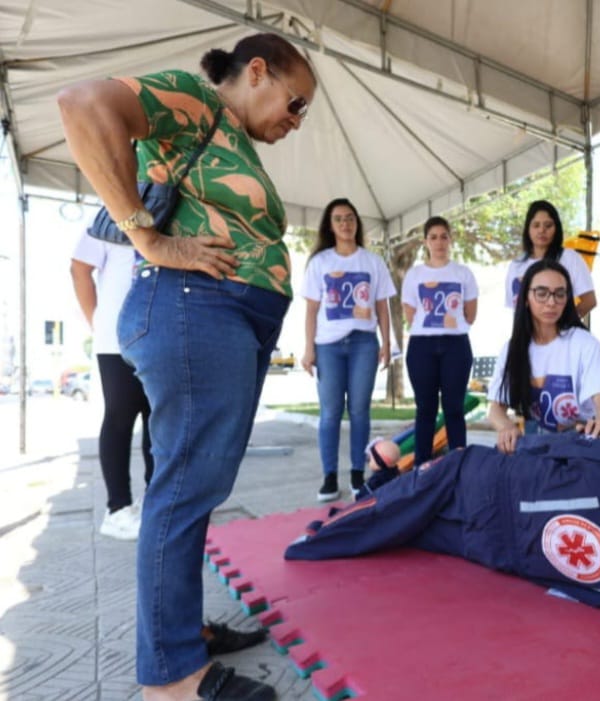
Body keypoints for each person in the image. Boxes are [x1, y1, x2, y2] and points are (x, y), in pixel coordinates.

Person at [58, 32, 316, 701]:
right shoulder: (197, 99)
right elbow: (83, 104)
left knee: (195, 485)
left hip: (221, 313)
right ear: (256, 71)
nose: (296, 120)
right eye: (295, 103)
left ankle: (182, 633)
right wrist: (147, 236)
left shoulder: (228, 135)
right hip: (193, 305)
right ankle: (172, 678)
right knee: (183, 486)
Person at [286, 433, 600, 608]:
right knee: (402, 519)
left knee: (398, 512)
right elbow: (558, 587)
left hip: (482, 492)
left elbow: (536, 446)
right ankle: (379, 484)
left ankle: (338, 520)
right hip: (493, 545)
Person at [302, 197, 396, 502]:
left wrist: (387, 343)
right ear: (330, 226)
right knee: (330, 412)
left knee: (359, 410)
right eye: (339, 219)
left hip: (363, 343)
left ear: (357, 222)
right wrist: (308, 349)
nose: (345, 223)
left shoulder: (372, 261)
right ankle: (329, 477)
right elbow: (311, 310)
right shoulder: (320, 262)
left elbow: (382, 306)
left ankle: (358, 472)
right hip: (327, 346)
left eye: (350, 218)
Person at [70, 231, 154, 540]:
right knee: (120, 417)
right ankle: (117, 509)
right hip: (116, 337)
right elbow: (79, 267)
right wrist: (97, 321)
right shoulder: (107, 214)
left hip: (160, 335)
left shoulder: (170, 210)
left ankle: (154, 504)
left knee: (158, 421)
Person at [487, 259, 600, 453]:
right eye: (541, 293)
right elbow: (495, 408)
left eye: (560, 294)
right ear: (525, 298)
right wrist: (506, 427)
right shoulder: (512, 349)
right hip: (533, 442)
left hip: (579, 440)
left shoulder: (585, 344)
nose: (551, 302)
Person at [401, 216, 478, 465]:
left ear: (450, 239)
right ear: (426, 242)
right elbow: (411, 315)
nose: (439, 242)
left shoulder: (463, 273)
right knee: (425, 409)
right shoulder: (414, 275)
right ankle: (422, 468)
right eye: (433, 237)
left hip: (455, 346)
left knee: (454, 408)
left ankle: (458, 466)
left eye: (444, 236)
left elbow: (470, 314)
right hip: (422, 346)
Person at [504, 200, 596, 317]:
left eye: (548, 225)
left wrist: (565, 324)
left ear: (556, 228)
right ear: (528, 229)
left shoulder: (570, 258)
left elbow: (589, 301)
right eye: (536, 225)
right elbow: (515, 308)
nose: (541, 230)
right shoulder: (516, 265)